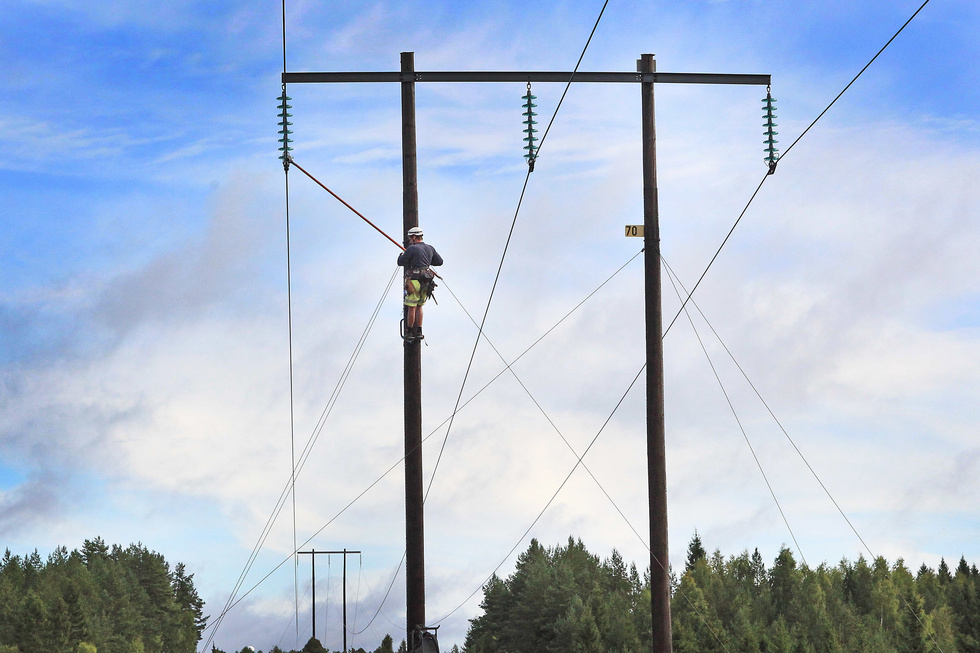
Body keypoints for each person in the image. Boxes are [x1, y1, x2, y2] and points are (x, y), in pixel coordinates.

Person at [397, 226, 443, 341]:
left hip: (414, 281)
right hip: (426, 282)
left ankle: (409, 332)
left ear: (413, 237)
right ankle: (419, 331)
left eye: (410, 238)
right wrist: (427, 260)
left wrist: (402, 254)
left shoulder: (411, 249)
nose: (409, 240)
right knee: (419, 306)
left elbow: (401, 262)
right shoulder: (430, 248)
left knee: (411, 307)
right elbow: (439, 262)